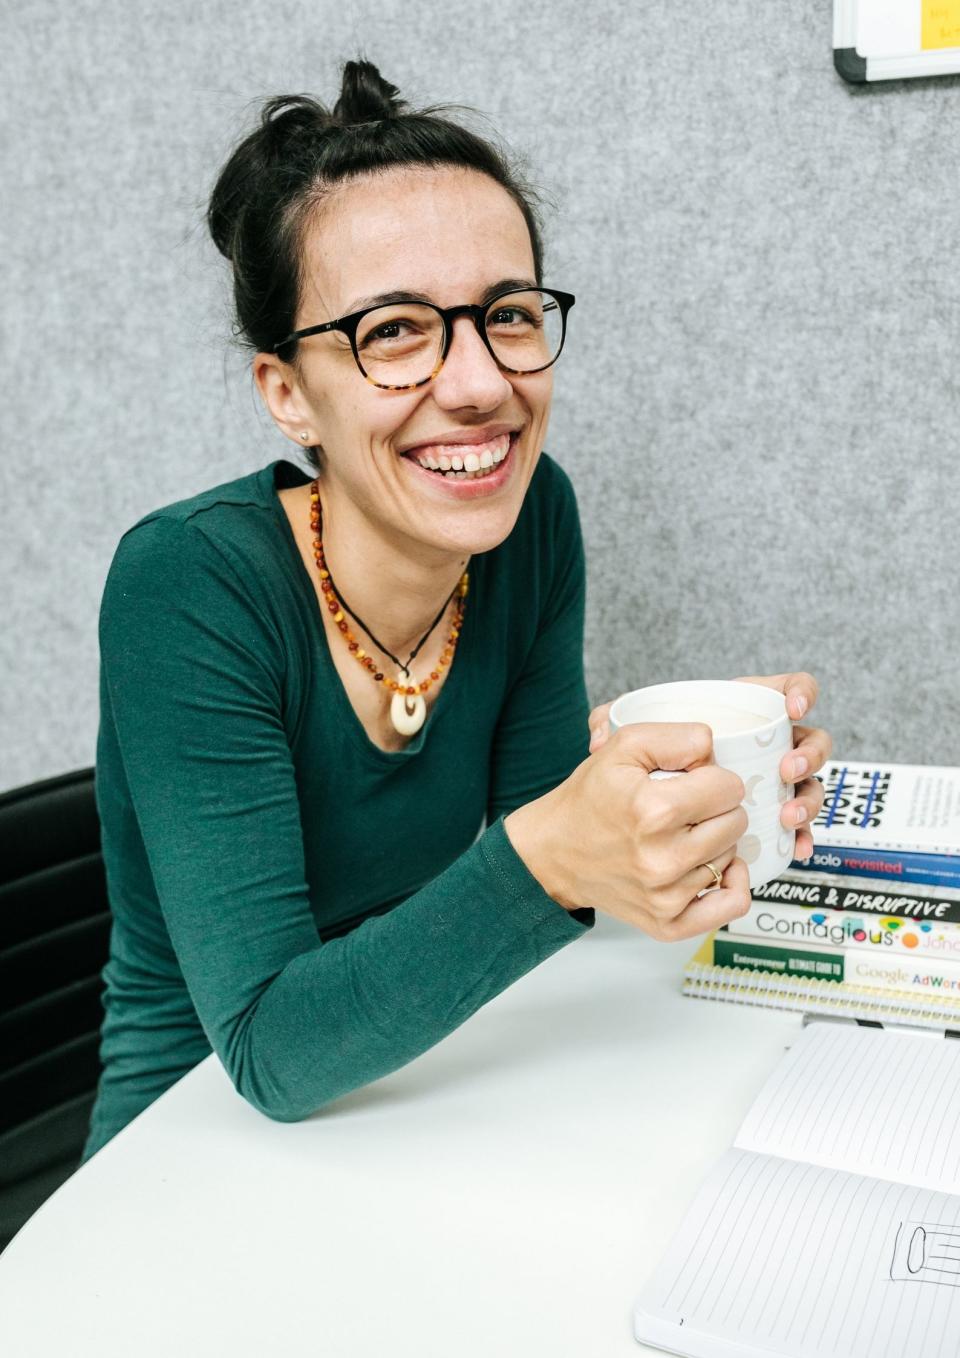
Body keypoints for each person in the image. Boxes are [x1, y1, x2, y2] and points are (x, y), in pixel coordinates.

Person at [82, 60, 831, 1161]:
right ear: (288, 391)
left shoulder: (530, 518)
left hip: (426, 1082)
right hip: (194, 1132)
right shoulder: (188, 585)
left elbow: (550, 859)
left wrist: (660, 788)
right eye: (395, 330)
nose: (481, 382)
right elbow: (269, 1046)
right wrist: (564, 851)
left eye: (509, 315)